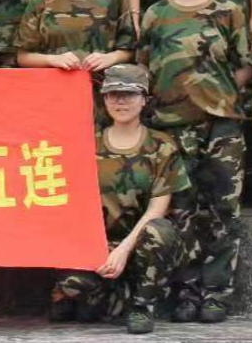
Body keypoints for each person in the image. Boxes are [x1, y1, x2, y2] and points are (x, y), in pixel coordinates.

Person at [136, 0, 250, 323]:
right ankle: (184, 292)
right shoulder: (156, 14)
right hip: (170, 128)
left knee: (222, 211)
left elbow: (244, 65)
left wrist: (218, 96)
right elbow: (145, 66)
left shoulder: (228, 11)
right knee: (180, 212)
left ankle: (215, 294)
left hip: (221, 126)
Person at [49, 65, 185, 335]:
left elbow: (157, 210)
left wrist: (122, 250)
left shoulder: (161, 145)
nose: (121, 101)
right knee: (72, 286)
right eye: (113, 94)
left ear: (144, 99)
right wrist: (97, 251)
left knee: (160, 231)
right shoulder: (88, 143)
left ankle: (141, 306)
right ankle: (111, 300)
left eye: (129, 94)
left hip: (141, 245)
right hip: (98, 245)